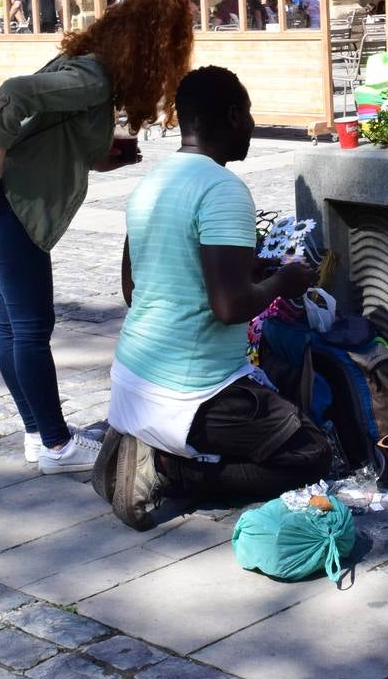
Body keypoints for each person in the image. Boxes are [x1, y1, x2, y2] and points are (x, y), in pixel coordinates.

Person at [0, 0, 194, 474]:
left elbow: (47, 130)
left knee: (14, 327)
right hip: (4, 204)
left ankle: (38, 434)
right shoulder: (91, 77)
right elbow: (14, 93)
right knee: (30, 328)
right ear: (154, 46)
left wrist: (96, 157)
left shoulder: (85, 66)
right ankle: (59, 447)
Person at [103, 66, 332, 529]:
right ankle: (176, 470)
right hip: (192, 388)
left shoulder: (153, 181)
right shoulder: (223, 188)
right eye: (247, 114)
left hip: (133, 374)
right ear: (231, 116)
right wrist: (282, 283)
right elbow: (229, 309)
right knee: (312, 451)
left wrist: (246, 270)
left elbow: (135, 288)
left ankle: (148, 445)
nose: (250, 124)